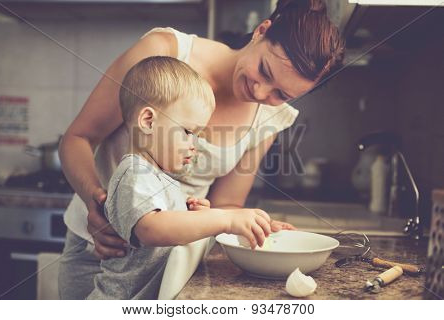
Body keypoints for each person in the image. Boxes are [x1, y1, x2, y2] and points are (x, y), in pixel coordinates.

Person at [58, 0, 345, 299]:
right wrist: (97, 206)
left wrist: (252, 226)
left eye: (281, 94)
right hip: (100, 253)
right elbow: (78, 138)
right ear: (261, 31)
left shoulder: (272, 116)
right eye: (264, 70)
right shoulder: (165, 52)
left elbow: (226, 205)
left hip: (168, 268)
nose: (260, 93)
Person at [87, 56, 272, 299]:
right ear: (148, 121)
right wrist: (223, 219)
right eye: (188, 132)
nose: (194, 145)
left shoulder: (161, 179)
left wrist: (196, 216)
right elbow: (151, 229)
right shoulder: (132, 173)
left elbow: (172, 228)